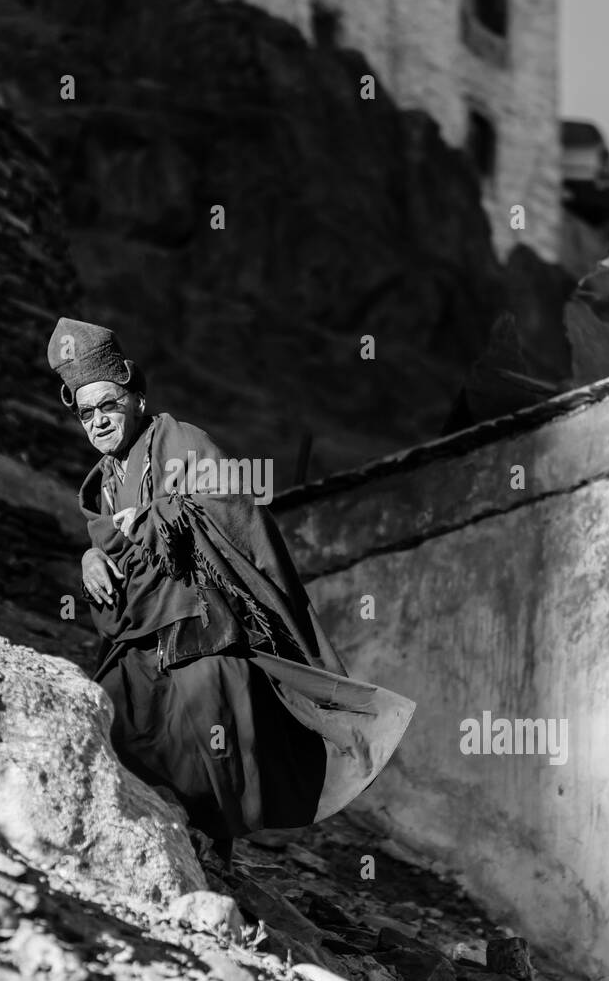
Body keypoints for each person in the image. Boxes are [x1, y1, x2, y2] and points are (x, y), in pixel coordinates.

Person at [48, 318, 414, 861]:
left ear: (137, 398)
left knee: (205, 740)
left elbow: (233, 511)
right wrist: (91, 556)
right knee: (113, 726)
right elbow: (114, 540)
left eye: (109, 405)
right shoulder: (104, 479)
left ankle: (208, 858)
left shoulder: (181, 441)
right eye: (86, 412)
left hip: (204, 627)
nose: (99, 421)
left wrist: (155, 518)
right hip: (142, 635)